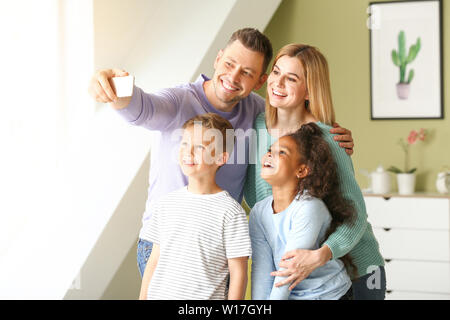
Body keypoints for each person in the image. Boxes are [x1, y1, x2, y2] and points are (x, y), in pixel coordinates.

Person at [88, 28, 355, 278]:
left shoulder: (258, 113)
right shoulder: (179, 101)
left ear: (261, 81)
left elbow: (295, 121)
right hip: (166, 244)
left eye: (247, 73)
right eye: (229, 64)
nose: (234, 77)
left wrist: (330, 134)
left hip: (219, 249)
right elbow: (142, 108)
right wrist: (113, 90)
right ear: (217, 59)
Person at [243, 44, 386, 300]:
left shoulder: (328, 138)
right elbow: (261, 202)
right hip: (301, 275)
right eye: (276, 72)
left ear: (309, 90)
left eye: (291, 78)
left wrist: (321, 254)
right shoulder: (257, 127)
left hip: (356, 268)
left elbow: (355, 213)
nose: (277, 83)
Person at [139, 113, 251, 300]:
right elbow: (153, 261)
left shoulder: (231, 212)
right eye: (184, 143)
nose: (188, 152)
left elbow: (238, 273)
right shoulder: (166, 204)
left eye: (200, 147)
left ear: (221, 158)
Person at [250, 123, 355, 300]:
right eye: (270, 150)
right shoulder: (259, 212)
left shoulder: (309, 207)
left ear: (301, 170)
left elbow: (288, 271)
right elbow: (262, 272)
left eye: (281, 152)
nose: (269, 155)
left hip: (329, 295)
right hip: (292, 294)